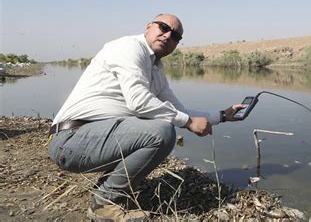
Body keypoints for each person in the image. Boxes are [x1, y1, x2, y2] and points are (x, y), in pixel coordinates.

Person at [48, 13, 245, 220]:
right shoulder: (129, 48)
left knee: (160, 125)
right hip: (70, 140)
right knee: (161, 132)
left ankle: (106, 189)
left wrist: (222, 115)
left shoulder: (155, 69)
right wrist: (188, 122)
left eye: (176, 36)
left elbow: (179, 109)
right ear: (148, 27)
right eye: (163, 27)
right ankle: (104, 203)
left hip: (94, 138)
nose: (168, 35)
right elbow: (139, 102)